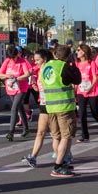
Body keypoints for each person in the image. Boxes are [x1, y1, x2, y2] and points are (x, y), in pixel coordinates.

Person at [25, 44, 81, 177]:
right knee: (66, 136)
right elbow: (77, 80)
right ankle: (58, 166)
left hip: (49, 107)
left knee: (57, 136)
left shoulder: (46, 67)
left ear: (55, 54)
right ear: (68, 57)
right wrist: (73, 66)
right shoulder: (64, 66)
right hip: (64, 107)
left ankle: (63, 163)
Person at [73, 43, 98, 142]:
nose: (77, 52)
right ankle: (85, 136)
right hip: (81, 91)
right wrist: (75, 90)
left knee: (94, 113)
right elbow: (76, 79)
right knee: (82, 113)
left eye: (79, 50)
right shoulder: (77, 64)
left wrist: (90, 88)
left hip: (92, 91)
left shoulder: (91, 63)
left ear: (84, 52)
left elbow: (95, 78)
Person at [0, 46, 32, 141]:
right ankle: (26, 128)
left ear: (17, 54)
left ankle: (11, 132)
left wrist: (17, 78)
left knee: (14, 108)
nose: (13, 59)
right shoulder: (7, 61)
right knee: (19, 107)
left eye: (14, 56)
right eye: (11, 57)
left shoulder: (23, 61)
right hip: (10, 88)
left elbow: (27, 74)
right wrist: (7, 76)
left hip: (21, 88)